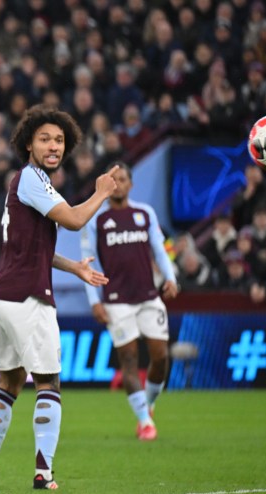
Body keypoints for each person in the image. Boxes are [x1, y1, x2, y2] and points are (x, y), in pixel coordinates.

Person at [0, 104, 115, 490]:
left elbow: (33, 250)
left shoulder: (27, 185)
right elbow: (73, 219)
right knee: (48, 382)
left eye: (60, 140)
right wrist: (101, 193)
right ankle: (44, 472)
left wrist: (76, 268)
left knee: (11, 380)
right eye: (45, 139)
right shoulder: (32, 179)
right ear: (28, 144)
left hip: (1, 296)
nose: (54, 146)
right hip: (27, 298)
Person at [80, 163, 179, 441]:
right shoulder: (95, 220)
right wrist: (94, 301)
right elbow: (88, 263)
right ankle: (145, 421)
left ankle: (149, 404)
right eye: (114, 180)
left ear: (131, 184)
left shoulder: (144, 213)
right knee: (129, 359)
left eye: (123, 179)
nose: (118, 184)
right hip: (116, 301)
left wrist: (170, 278)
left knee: (160, 357)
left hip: (149, 295)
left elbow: (159, 251)